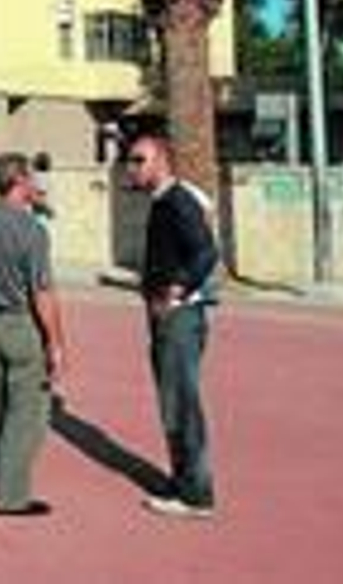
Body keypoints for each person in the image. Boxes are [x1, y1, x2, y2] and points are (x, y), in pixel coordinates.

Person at [0, 152, 67, 516]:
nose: (36, 184)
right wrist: (55, 342)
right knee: (27, 414)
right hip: (22, 326)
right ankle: (10, 496)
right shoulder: (32, 232)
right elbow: (43, 293)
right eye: (31, 179)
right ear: (20, 181)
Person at [125, 133, 220, 520]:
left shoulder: (178, 201)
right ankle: (183, 479)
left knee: (182, 404)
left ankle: (196, 494)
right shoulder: (164, 201)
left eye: (139, 159)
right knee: (172, 403)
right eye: (131, 160)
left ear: (161, 159)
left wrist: (178, 291)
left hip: (179, 319)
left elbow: (205, 251)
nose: (132, 167)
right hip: (166, 317)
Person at [30, 151, 54, 223]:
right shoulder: (42, 178)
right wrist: (47, 210)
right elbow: (39, 196)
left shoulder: (34, 175)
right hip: (38, 211)